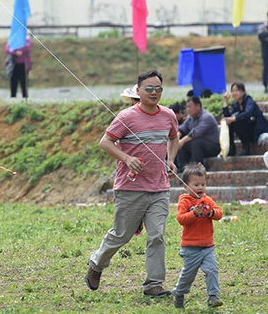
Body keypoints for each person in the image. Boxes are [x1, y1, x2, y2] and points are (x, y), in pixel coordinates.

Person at [85, 69, 179, 298]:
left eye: (158, 88)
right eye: (149, 88)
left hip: (159, 188)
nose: (154, 92)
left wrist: (171, 160)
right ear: (138, 91)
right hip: (130, 188)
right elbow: (105, 142)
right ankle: (97, 264)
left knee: (157, 235)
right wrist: (126, 158)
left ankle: (153, 285)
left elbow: (174, 137)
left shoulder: (168, 115)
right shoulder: (126, 117)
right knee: (122, 235)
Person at [173, 163, 223, 309]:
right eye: (196, 184)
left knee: (212, 270)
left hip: (208, 246)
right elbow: (181, 219)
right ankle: (179, 293)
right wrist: (194, 214)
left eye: (203, 184)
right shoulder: (185, 201)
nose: (200, 188)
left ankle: (213, 296)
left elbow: (219, 213)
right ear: (185, 186)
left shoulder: (207, 200)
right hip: (190, 248)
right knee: (188, 276)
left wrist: (211, 213)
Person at [222, 81, 268, 156]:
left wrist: (234, 119)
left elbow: (247, 113)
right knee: (230, 123)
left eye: (236, 90)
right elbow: (228, 116)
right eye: (232, 91)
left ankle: (246, 148)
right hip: (247, 130)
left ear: (243, 92)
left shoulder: (249, 100)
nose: (234, 93)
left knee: (236, 122)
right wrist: (225, 102)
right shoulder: (236, 104)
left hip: (257, 130)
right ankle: (231, 148)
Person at [176, 96, 220, 171]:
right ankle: (183, 168)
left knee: (195, 143)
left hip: (212, 146)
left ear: (198, 106)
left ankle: (197, 168)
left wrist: (182, 141)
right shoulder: (190, 117)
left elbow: (195, 133)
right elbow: (182, 128)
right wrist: (177, 139)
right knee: (183, 144)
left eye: (190, 107)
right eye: (187, 107)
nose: (188, 109)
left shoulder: (206, 117)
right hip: (198, 145)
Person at [259, 12, 268, 94]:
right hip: (266, 53)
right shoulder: (263, 27)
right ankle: (265, 86)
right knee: (266, 69)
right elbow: (261, 35)